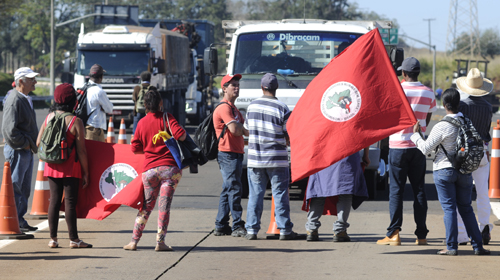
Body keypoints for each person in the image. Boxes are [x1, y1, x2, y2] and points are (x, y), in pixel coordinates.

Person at [410, 88, 490, 255]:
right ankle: (478, 246)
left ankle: (452, 247)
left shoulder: (442, 126)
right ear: (458, 104)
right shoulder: (467, 121)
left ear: (445, 105)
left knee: (449, 209)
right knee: (466, 208)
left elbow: (426, 148)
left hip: (444, 170)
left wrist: (415, 135)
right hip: (465, 170)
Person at [377, 57, 436, 246]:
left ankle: (394, 233)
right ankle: (421, 235)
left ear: (403, 73)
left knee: (396, 191)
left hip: (398, 146)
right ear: (418, 72)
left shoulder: (397, 91)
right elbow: (426, 118)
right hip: (418, 147)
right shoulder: (428, 93)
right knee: (419, 190)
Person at [124, 88, 186, 251]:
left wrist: (148, 147)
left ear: (144, 105)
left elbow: (135, 148)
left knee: (146, 207)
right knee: (164, 206)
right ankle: (160, 242)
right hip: (169, 170)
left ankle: (134, 241)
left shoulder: (141, 123)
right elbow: (181, 135)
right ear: (160, 103)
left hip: (150, 171)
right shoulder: (167, 117)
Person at [36, 83, 91, 248]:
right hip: (70, 167)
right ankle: (74, 239)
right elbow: (81, 151)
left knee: (53, 201)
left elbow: (39, 142)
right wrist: (86, 172)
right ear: (72, 100)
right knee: (70, 203)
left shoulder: (48, 117)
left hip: (51, 166)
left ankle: (53, 239)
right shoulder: (75, 121)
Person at [243, 73, 296, 240]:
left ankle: (251, 230)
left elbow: (247, 130)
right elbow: (289, 135)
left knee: (255, 194)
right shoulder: (282, 108)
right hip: (277, 159)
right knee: (280, 194)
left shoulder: (252, 107)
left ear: (262, 87)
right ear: (276, 88)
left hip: (255, 159)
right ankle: (284, 230)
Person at [455, 68, 494, 245]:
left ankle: (462, 233)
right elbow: (486, 133)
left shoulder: (462, 105)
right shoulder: (487, 107)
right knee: (482, 193)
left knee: (461, 194)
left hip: (464, 154)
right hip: (482, 153)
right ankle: (484, 227)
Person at [1, 67, 39, 232]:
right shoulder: (14, 99)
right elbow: (9, 131)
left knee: (23, 187)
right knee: (15, 186)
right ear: (21, 81)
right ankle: (12, 221)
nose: (35, 82)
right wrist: (25, 143)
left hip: (24, 149)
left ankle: (19, 220)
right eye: (31, 79)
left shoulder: (24, 97)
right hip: (17, 149)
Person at [304, 149, 370, 242]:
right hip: (347, 153)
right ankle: (340, 231)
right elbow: (365, 135)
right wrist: (366, 155)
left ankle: (311, 229)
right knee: (345, 192)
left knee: (319, 191)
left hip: (323, 153)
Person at [213, 74, 248, 237]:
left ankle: (221, 224)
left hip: (235, 153)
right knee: (234, 189)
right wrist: (242, 129)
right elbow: (235, 130)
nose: (236, 87)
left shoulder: (234, 109)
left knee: (228, 188)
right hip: (228, 154)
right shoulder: (224, 108)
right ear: (224, 88)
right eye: (232, 85)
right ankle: (237, 225)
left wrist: (241, 129)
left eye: (237, 84)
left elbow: (242, 131)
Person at [85, 64, 113, 142]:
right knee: (98, 153)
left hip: (83, 128)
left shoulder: (84, 88)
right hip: (95, 130)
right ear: (101, 77)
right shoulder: (99, 91)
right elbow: (109, 109)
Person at [132, 71, 155, 136]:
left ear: (141, 79)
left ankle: (135, 137)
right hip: (149, 111)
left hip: (138, 110)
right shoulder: (152, 88)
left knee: (136, 126)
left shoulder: (137, 88)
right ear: (150, 79)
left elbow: (134, 99)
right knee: (149, 126)